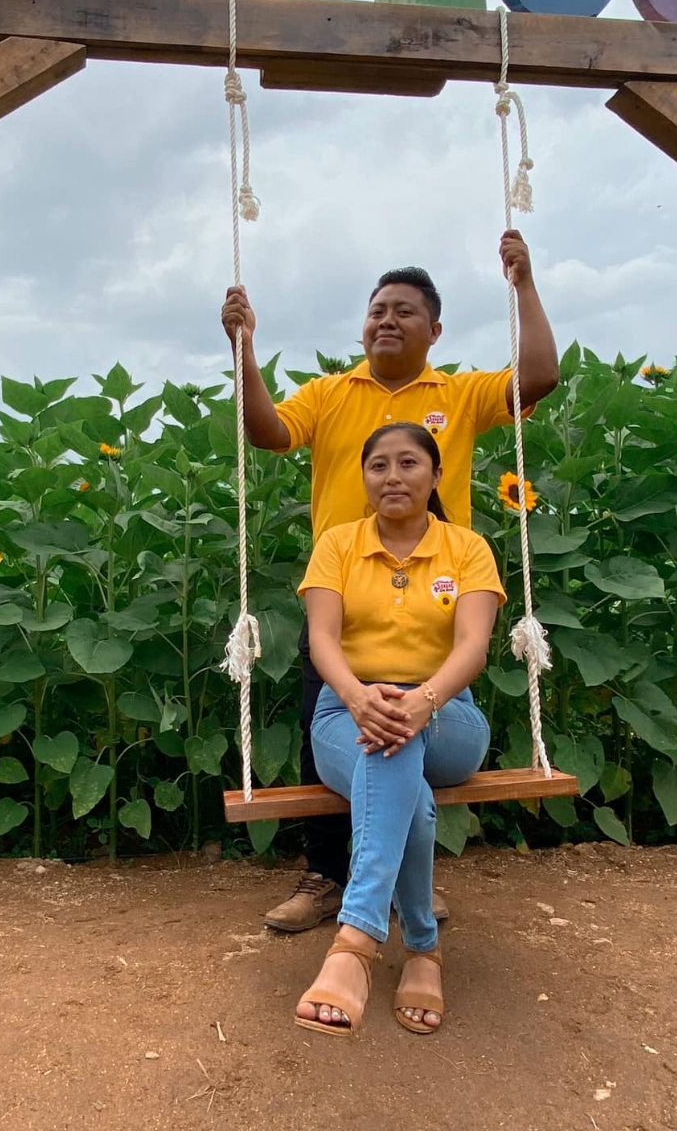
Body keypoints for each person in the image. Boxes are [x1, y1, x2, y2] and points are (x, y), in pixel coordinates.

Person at [219, 233, 558, 933]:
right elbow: (266, 432)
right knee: (345, 736)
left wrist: (523, 284)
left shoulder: (458, 394)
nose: (386, 321)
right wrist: (244, 346)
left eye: (404, 311)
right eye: (377, 309)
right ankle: (330, 877)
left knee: (398, 730)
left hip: (433, 608)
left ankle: (382, 891)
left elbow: (538, 378)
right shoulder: (331, 393)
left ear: (434, 330)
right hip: (341, 603)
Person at [293, 422, 501, 1034]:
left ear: (436, 476)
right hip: (345, 712)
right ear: (364, 480)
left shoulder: (468, 548)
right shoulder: (337, 544)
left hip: (448, 716)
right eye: (378, 465)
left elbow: (474, 648)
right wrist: (360, 698)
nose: (392, 476)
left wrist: (423, 701)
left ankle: (354, 945)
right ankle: (420, 949)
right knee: (390, 752)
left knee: (395, 736)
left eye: (408, 463)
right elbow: (323, 640)